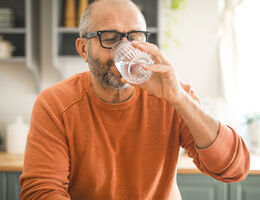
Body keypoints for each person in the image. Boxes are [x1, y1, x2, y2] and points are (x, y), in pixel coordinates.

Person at [20, 0, 250, 199]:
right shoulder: (55, 104)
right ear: (83, 49)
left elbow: (234, 169)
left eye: (135, 37)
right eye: (109, 38)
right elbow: (41, 191)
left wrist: (179, 99)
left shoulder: (172, 94)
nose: (125, 47)